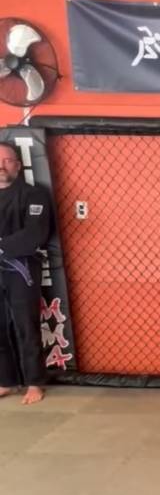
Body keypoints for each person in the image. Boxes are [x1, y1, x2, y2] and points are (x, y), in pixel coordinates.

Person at [0, 141, 51, 405]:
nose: (1, 166)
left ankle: (34, 383)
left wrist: (2, 247)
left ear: (18, 166)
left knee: (26, 325)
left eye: (7, 160)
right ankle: (6, 381)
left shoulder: (34, 195)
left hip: (22, 269)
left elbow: (35, 233)